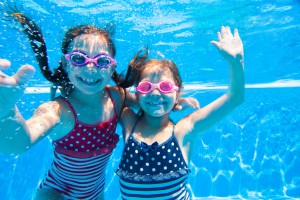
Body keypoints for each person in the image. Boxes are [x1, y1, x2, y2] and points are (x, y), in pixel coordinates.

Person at [0, 12, 198, 200]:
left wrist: (174, 102)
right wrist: (5, 110)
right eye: (79, 58)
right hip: (56, 193)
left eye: (101, 61)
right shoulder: (57, 111)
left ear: (112, 67)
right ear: (66, 63)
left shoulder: (117, 97)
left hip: (95, 194)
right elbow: (17, 144)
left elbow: (148, 103)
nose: (90, 67)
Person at [116, 26, 245, 199]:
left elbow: (235, 98)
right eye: (146, 87)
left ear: (178, 93)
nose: (155, 93)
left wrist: (236, 62)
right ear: (137, 93)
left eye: (165, 87)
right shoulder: (128, 121)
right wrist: (172, 104)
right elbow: (112, 94)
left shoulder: (184, 129)